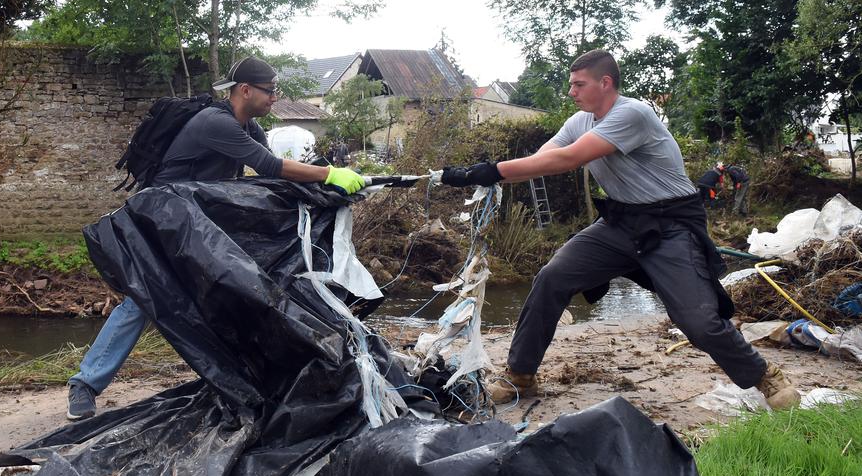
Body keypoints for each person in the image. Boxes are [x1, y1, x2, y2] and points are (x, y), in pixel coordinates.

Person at [440, 49, 800, 410]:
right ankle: (521, 374)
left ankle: (766, 377)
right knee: (553, 277)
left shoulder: (633, 114)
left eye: (579, 84)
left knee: (698, 322)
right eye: (571, 85)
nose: (571, 92)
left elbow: (571, 159)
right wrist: (476, 173)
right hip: (620, 223)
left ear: (605, 83)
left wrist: (494, 169)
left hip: (670, 226)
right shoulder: (580, 122)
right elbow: (541, 161)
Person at [67, 56, 366, 420]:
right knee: (144, 299)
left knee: (237, 289)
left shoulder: (249, 128)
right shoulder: (216, 123)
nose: (275, 98)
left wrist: (329, 186)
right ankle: (84, 385)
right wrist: (328, 172)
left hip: (196, 225)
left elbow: (272, 178)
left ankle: (249, 375)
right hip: (159, 221)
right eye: (270, 91)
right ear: (245, 90)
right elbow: (272, 167)